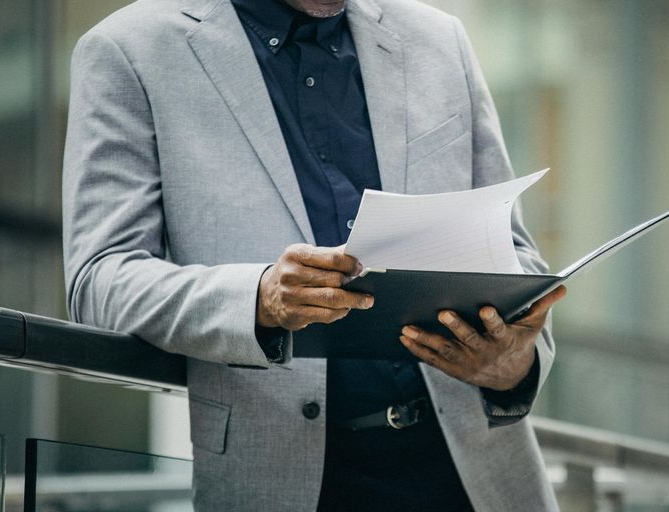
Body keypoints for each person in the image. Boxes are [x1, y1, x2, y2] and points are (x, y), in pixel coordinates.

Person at [62, 0, 565, 509]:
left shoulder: (440, 39)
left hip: (474, 476)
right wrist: (257, 299)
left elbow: (513, 250)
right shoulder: (128, 51)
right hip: (281, 475)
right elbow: (100, 277)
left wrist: (512, 364)